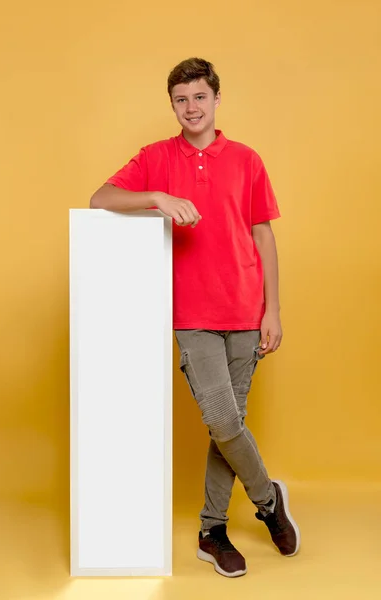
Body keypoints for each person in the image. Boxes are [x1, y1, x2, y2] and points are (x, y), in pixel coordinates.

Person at [90, 57, 300, 578]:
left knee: (227, 427)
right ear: (172, 104)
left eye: (199, 97)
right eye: (181, 99)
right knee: (223, 420)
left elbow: (263, 235)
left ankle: (211, 530)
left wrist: (272, 308)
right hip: (192, 315)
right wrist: (156, 197)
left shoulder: (247, 160)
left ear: (216, 99)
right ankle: (267, 499)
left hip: (246, 312)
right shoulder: (156, 158)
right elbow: (100, 199)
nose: (191, 108)